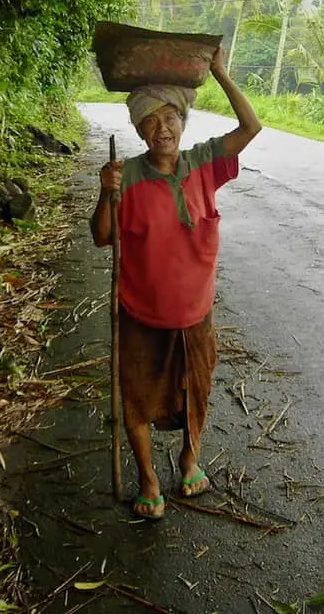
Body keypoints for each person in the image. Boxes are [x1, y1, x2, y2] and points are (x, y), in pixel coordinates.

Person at [90, 46, 261, 519]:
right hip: (141, 314)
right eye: (150, 121)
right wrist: (106, 193)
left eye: (170, 117)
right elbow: (103, 236)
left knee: (196, 393)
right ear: (139, 129)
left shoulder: (204, 162)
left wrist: (222, 73)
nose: (161, 128)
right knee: (137, 398)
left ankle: (189, 459)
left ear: (183, 121)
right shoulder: (124, 176)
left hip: (195, 314)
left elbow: (251, 128)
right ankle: (148, 479)